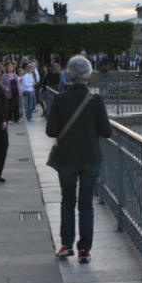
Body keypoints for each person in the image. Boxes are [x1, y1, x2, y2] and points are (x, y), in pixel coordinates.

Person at [46, 55, 112, 264]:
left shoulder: (59, 99)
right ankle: (85, 249)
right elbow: (107, 132)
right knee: (86, 204)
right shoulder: (96, 100)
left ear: (70, 75)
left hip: (66, 158)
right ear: (89, 76)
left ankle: (66, 245)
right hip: (91, 157)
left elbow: (51, 131)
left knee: (67, 200)